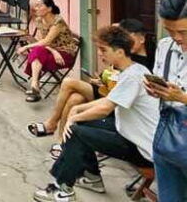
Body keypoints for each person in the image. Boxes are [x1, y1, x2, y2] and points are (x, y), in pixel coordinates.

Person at [34, 26, 157, 201]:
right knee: (80, 125)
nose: (100, 54)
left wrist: (74, 116)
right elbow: (110, 100)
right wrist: (77, 110)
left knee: (77, 131)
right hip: (127, 132)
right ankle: (92, 178)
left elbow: (106, 107)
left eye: (103, 50)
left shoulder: (133, 76)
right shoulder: (132, 70)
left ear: (120, 52)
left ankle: (63, 188)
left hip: (141, 147)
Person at [28, 19, 154, 157]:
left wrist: (76, 116)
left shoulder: (146, 63)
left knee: (69, 83)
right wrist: (102, 79)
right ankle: (61, 141)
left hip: (117, 102)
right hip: (107, 91)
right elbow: (112, 75)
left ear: (141, 38)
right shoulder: (127, 57)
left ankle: (52, 125)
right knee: (75, 99)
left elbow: (127, 92)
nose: (125, 41)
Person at [143, 0, 187, 200]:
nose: (177, 38)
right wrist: (155, 90)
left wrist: (182, 98)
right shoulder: (164, 46)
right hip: (168, 136)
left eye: (184, 32)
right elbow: (161, 80)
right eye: (170, 31)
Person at [17, 0, 79, 102]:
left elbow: (45, 42)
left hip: (65, 54)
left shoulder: (58, 22)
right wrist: (53, 51)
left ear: (49, 8)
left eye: (39, 6)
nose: (36, 8)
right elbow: (43, 42)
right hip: (53, 51)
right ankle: (35, 85)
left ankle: (35, 86)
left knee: (35, 56)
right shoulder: (39, 20)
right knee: (37, 51)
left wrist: (26, 47)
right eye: (35, 6)